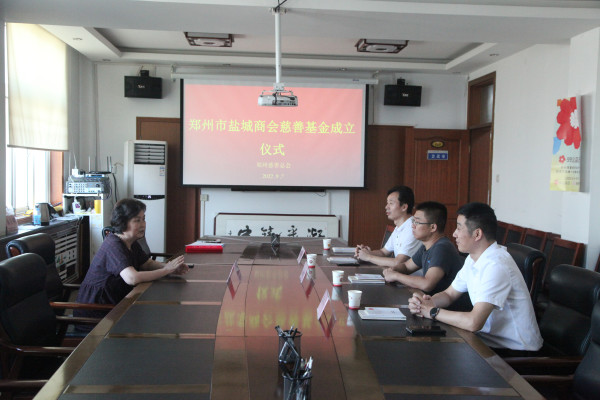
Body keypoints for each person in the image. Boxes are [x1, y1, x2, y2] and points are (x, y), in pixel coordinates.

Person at [408, 202, 542, 351]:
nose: (454, 234)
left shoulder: (496, 265)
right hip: (484, 341)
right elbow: (449, 294)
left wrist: (432, 311)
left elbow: (473, 322)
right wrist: (425, 303)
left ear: (477, 234)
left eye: (459, 228)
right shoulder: (473, 259)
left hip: (514, 351)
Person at [75, 198, 189, 320]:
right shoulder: (113, 245)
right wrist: (166, 271)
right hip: (97, 314)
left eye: (143, 219)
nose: (143, 224)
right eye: (137, 220)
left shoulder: (131, 242)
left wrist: (170, 267)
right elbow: (132, 278)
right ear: (123, 222)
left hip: (116, 305)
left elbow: (147, 263)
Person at [382, 201, 463, 297]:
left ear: (432, 227)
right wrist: (393, 270)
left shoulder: (442, 248)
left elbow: (427, 284)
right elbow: (407, 267)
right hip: (431, 301)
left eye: (417, 222)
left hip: (448, 305)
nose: (413, 225)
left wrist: (395, 276)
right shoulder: (426, 246)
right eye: (413, 221)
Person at [355, 185, 421, 268]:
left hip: (411, 276)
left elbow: (398, 262)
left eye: (391, 203)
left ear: (404, 207)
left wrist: (368, 257)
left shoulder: (412, 228)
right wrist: (366, 252)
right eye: (387, 203)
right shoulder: (400, 226)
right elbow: (383, 252)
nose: (386, 207)